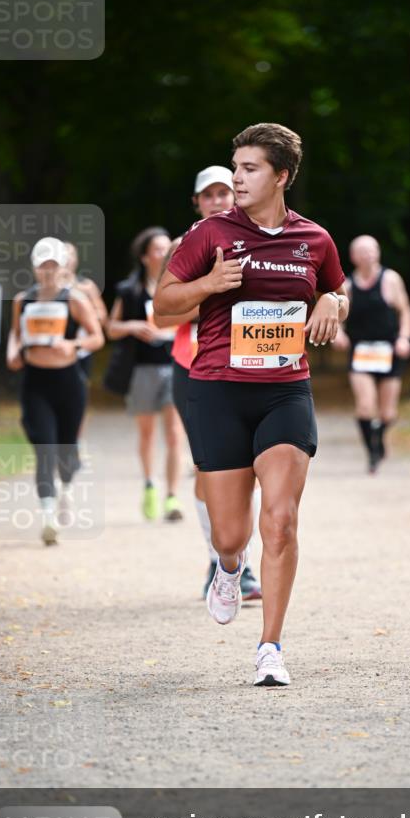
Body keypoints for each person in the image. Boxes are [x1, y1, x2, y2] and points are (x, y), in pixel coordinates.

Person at [155, 122, 348, 687]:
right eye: (235, 167)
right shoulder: (209, 234)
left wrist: (334, 302)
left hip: (285, 390)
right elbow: (162, 306)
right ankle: (228, 567)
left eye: (249, 168)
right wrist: (209, 284)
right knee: (230, 533)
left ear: (281, 176)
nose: (236, 178)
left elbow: (335, 289)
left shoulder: (315, 239)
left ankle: (270, 647)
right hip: (216, 390)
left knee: (282, 520)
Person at [162, 166, 262, 602]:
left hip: (251, 365)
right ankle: (219, 558)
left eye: (225, 192)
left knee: (254, 471)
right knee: (211, 468)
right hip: (195, 367)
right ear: (197, 202)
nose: (218, 200)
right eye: (209, 195)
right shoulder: (184, 246)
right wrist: (210, 292)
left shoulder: (260, 239)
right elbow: (162, 313)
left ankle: (241, 557)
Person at [6, 236, 104, 544]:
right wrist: (13, 352)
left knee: (65, 450)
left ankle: (66, 488)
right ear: (34, 268)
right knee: (44, 450)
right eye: (42, 266)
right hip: (36, 383)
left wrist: (72, 344)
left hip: (68, 383)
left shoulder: (74, 299)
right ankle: (48, 517)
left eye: (53, 265)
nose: (48, 271)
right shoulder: (24, 300)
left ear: (63, 267)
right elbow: (15, 334)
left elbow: (96, 337)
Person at [106, 227, 185, 522]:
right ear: (144, 256)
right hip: (142, 370)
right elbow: (110, 328)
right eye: (158, 249)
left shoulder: (180, 286)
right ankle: (150, 484)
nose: (165, 253)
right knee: (147, 433)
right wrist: (133, 327)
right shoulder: (130, 291)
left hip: (175, 365)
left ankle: (173, 496)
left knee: (175, 433)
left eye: (168, 247)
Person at [333, 235, 410, 472]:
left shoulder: (390, 280)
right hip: (361, 353)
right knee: (366, 407)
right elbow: (337, 318)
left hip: (389, 351)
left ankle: (379, 435)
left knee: (388, 412)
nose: (368, 255)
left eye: (372, 250)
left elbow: (405, 311)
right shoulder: (347, 286)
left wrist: (404, 338)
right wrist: (338, 334)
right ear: (353, 257)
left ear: (378, 253)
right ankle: (372, 452)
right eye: (363, 251)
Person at [62, 242, 107, 385]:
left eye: (71, 255)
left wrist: (85, 318)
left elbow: (102, 315)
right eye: (64, 255)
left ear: (76, 259)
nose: (68, 259)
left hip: (81, 349)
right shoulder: (49, 288)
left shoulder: (86, 286)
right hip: (54, 347)